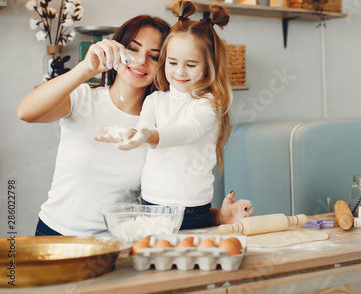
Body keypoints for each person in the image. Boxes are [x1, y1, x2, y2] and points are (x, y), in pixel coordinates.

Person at [18, 14, 251, 236]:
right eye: (133, 48)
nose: (141, 60)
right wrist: (85, 69)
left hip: (116, 243)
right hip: (56, 234)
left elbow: (167, 205)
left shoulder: (165, 120)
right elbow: (26, 112)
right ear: (118, 48)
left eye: (154, 55)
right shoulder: (84, 98)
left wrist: (218, 216)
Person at [95, 0, 252, 230]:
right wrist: (131, 134)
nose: (179, 71)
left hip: (191, 209)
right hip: (151, 204)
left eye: (190, 64)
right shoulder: (155, 99)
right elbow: (143, 128)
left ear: (208, 66)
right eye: (172, 62)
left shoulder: (208, 104)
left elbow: (188, 132)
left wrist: (149, 135)